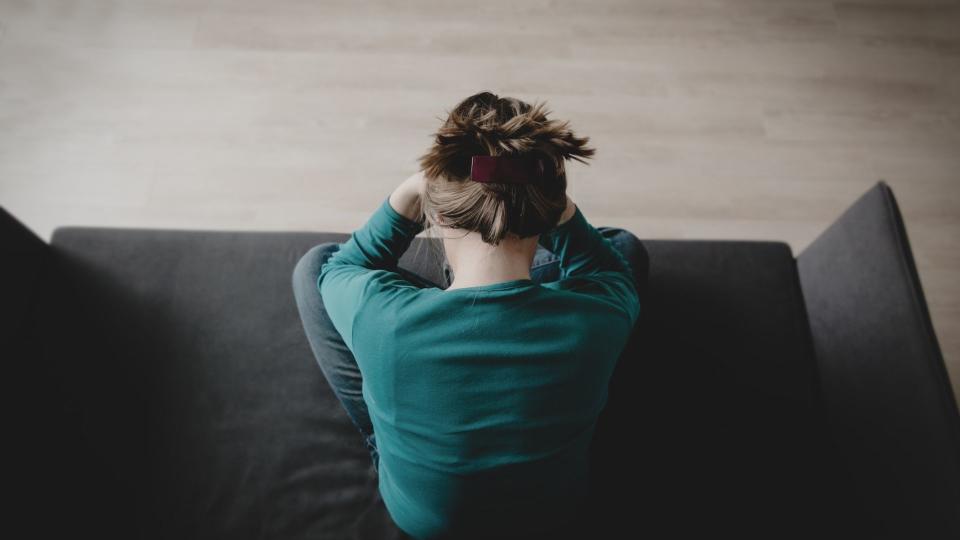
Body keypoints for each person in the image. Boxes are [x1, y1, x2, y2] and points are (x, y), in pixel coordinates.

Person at [291, 92, 649, 540]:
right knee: (624, 247)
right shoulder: (599, 314)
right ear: (550, 213)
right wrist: (561, 211)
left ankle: (380, 431)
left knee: (314, 265)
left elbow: (337, 268)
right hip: (551, 514)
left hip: (423, 520)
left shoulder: (382, 317)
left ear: (435, 213)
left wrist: (406, 195)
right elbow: (609, 267)